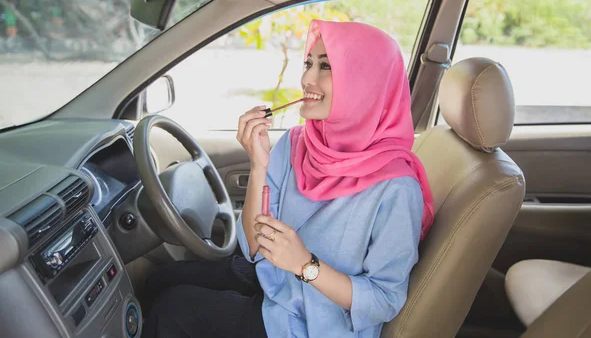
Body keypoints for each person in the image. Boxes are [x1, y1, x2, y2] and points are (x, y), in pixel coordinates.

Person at [141, 20, 435, 338]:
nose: (307, 78)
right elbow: (255, 247)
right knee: (158, 281)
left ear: (365, 83)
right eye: (309, 63)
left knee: (175, 308)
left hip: (310, 322)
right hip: (272, 277)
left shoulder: (397, 188)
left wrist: (305, 265)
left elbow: (383, 301)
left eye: (326, 67)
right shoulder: (297, 143)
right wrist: (258, 164)